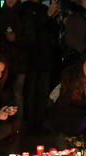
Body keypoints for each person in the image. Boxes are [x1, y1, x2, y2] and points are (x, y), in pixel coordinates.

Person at [0, 0, 36, 122]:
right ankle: (4, 122)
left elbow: (31, 39)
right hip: (3, 62)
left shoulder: (24, 14)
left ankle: (17, 124)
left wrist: (16, 39)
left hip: (20, 62)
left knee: (17, 94)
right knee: (2, 92)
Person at [21, 0, 61, 134]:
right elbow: (30, 30)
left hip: (46, 58)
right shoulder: (25, 8)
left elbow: (52, 32)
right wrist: (47, 17)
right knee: (31, 93)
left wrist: (54, 19)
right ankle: (29, 124)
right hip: (32, 58)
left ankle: (39, 123)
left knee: (43, 94)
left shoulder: (44, 8)